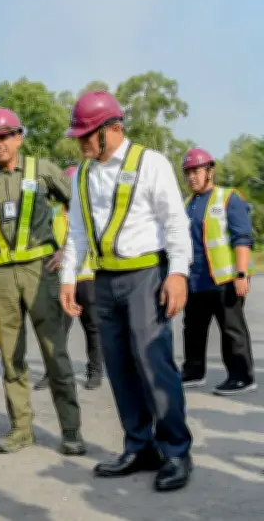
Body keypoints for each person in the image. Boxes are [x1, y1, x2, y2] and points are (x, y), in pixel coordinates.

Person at [60, 90, 194, 492]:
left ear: (113, 129)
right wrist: (69, 277)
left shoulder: (150, 163)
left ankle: (175, 451)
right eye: (79, 135)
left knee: (154, 365)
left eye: (87, 134)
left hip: (146, 277)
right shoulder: (82, 175)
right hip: (103, 282)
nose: (81, 141)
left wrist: (179, 273)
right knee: (119, 369)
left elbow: (174, 221)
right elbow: (78, 234)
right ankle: (140, 446)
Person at [0, 107, 85, 456]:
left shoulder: (41, 169)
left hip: (40, 271)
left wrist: (67, 252)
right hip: (0, 275)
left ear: (18, 137)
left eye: (4, 137)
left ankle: (71, 432)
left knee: (55, 354)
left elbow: (79, 206)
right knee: (10, 358)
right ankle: (21, 429)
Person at [180, 147, 257, 395]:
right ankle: (193, 371)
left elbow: (242, 238)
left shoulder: (228, 198)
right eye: (187, 172)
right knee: (192, 329)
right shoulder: (187, 204)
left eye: (196, 171)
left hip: (224, 280)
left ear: (210, 171)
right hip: (196, 281)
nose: (192, 176)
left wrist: (241, 274)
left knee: (231, 330)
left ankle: (241, 376)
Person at [34, 165, 103, 391]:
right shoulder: (54, 215)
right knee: (57, 330)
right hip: (63, 282)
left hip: (88, 279)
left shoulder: (93, 215)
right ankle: (52, 372)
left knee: (92, 328)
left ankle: (95, 371)